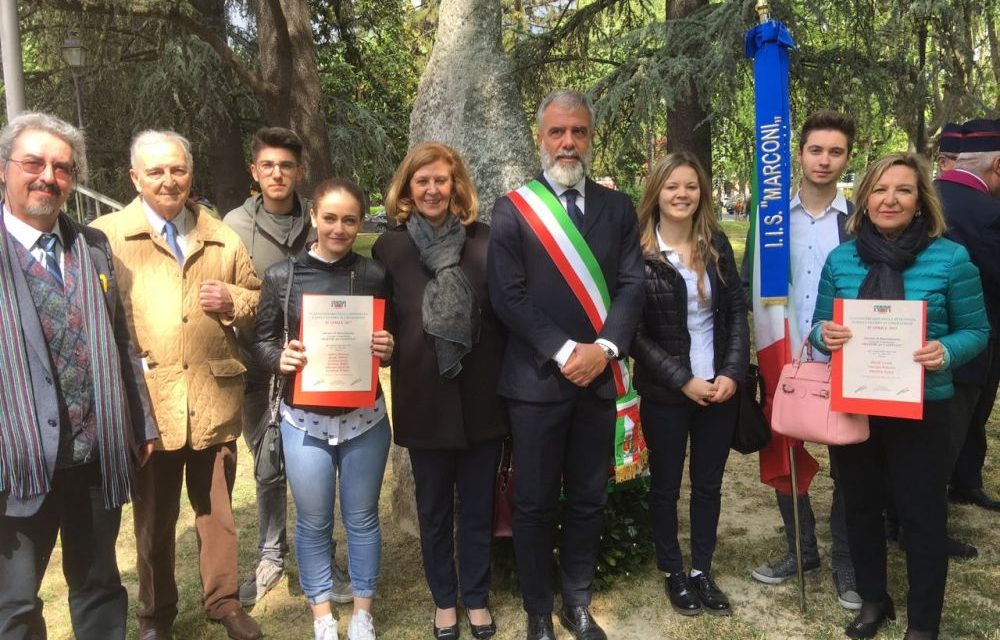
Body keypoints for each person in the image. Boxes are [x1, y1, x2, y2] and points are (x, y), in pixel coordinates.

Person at [91, 130, 262, 640]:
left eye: (178, 170)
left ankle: (225, 602)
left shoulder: (221, 235)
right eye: (156, 171)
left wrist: (233, 299)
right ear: (135, 178)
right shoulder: (106, 237)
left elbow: (257, 298)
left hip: (212, 400)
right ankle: (155, 615)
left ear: (191, 174)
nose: (169, 180)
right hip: (151, 408)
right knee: (154, 521)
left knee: (217, 516)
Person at [810, 152, 989, 640]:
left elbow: (977, 330)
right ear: (865, 199)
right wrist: (826, 335)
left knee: (921, 514)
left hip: (925, 406)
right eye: (880, 189)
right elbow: (817, 329)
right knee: (861, 506)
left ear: (921, 201)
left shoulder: (950, 259)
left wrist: (945, 350)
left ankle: (923, 623)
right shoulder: (841, 259)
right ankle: (874, 600)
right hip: (858, 404)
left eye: (904, 190)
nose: (890, 199)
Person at [488, 89, 644, 640]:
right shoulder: (513, 209)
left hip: (597, 382)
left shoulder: (618, 207)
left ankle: (576, 604)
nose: (568, 142)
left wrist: (601, 351)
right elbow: (509, 296)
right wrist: (564, 351)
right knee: (532, 503)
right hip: (536, 384)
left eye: (578, 131)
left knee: (587, 497)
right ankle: (537, 610)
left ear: (591, 137)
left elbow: (631, 285)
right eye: (557, 132)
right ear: (541, 138)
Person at [0, 112, 157, 640]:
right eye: (33, 163)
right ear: (5, 170)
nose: (48, 176)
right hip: (16, 461)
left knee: (98, 585)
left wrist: (142, 424)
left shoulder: (91, 246)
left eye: (62, 167)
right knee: (14, 603)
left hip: (94, 455)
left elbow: (121, 341)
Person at [372, 142, 508, 640]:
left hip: (480, 399)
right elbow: (382, 319)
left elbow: (505, 318)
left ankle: (475, 598)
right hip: (424, 397)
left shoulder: (487, 243)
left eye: (441, 180)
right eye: (421, 181)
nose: (432, 189)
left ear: (457, 187)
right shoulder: (391, 247)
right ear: (408, 188)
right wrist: (379, 345)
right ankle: (443, 601)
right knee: (433, 509)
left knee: (477, 508)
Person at [253, 178, 393, 640]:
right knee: (313, 521)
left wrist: (387, 346)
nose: (339, 228)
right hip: (304, 421)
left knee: (362, 518)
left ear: (359, 222)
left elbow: (390, 340)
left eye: (350, 219)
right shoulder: (282, 276)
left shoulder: (374, 275)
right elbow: (262, 340)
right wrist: (281, 358)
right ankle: (322, 617)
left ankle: (362, 613)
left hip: (364, 419)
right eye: (329, 217)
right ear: (313, 216)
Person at [223, 127, 353, 605]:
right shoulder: (232, 227)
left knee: (325, 470)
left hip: (323, 373)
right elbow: (222, 296)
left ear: (300, 172)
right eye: (268, 166)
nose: (277, 174)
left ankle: (324, 558)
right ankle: (271, 555)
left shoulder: (320, 221)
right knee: (269, 465)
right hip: (259, 369)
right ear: (254, 171)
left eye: (287, 166)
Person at [744, 109, 863, 610]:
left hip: (847, 354)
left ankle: (847, 563)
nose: (824, 160)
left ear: (847, 158)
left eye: (835, 152)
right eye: (816, 150)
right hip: (786, 353)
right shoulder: (771, 219)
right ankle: (802, 548)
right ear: (799, 154)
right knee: (784, 450)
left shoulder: (858, 219)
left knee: (852, 459)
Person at [631, 151, 748, 617]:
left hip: (719, 388)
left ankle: (701, 568)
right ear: (656, 192)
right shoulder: (639, 253)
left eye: (691, 186)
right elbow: (633, 334)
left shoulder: (716, 243)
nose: (682, 194)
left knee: (708, 484)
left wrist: (733, 372)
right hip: (667, 392)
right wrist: (682, 379)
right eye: (672, 186)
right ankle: (672, 571)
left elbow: (737, 311)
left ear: (701, 193)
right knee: (665, 486)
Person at [937, 118, 1000, 513]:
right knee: (960, 420)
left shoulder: (923, 196)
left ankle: (965, 481)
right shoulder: (990, 211)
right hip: (979, 334)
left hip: (925, 336)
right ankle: (930, 512)